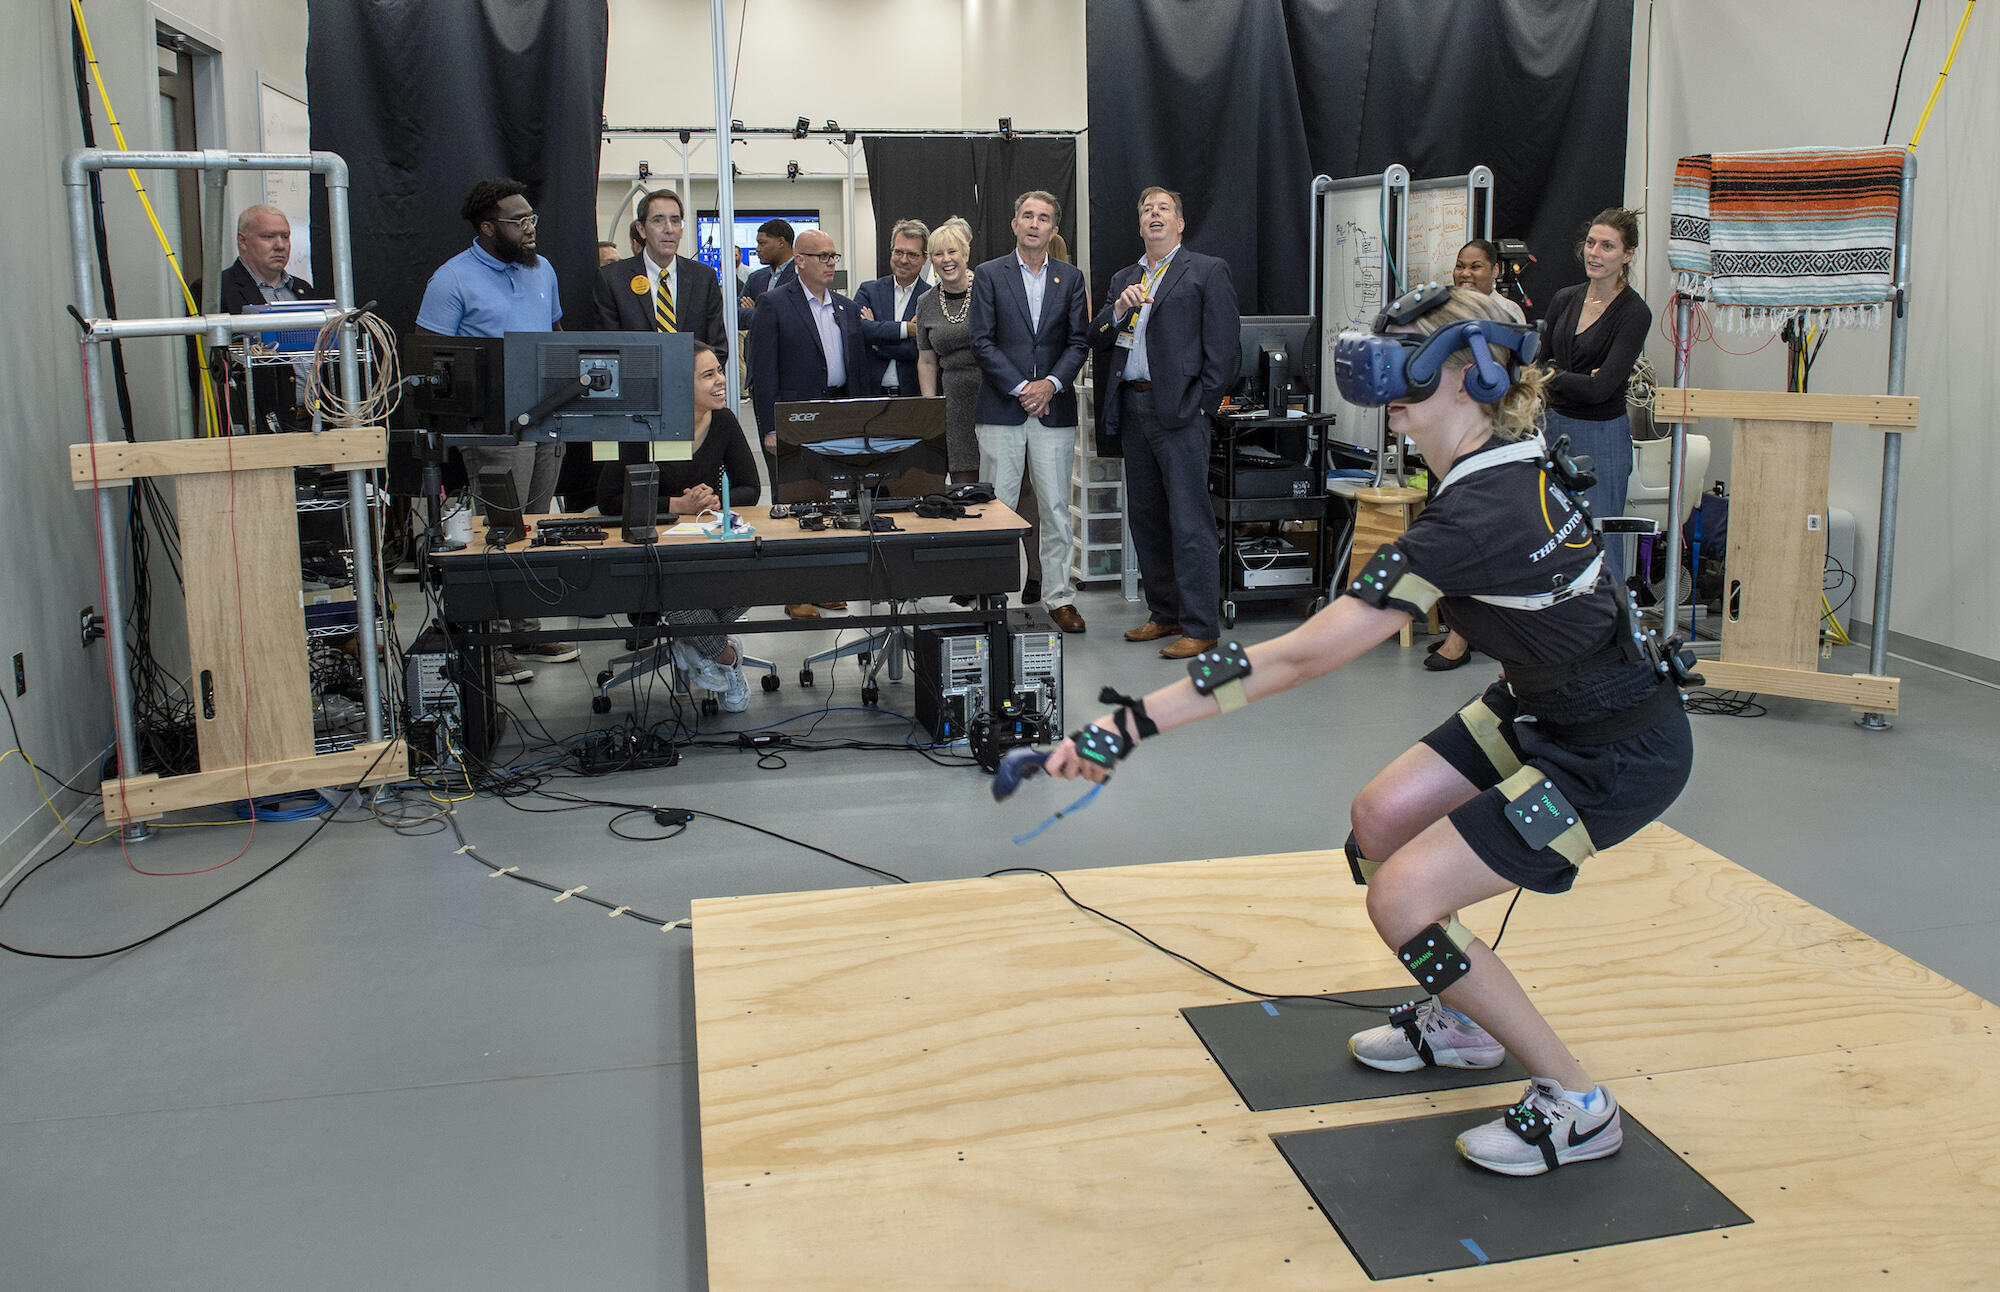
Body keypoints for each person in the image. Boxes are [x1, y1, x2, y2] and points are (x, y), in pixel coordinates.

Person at [1041, 285, 1694, 1177]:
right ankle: (1463, 1022)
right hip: (1543, 702)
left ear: (1469, 375)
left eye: (1404, 367)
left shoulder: (1473, 517)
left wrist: (1130, 723)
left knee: (1401, 901)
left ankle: (1579, 1103)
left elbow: (1298, 659)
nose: (1384, 386)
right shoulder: (1498, 461)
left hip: (1614, 750)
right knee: (1381, 818)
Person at [415, 177, 576, 682]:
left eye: (532, 219)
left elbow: (555, 334)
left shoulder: (542, 269)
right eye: (518, 221)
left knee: (534, 524)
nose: (530, 229)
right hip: (493, 426)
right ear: (487, 228)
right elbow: (432, 359)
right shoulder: (452, 279)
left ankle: (525, 626)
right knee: (496, 528)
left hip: (548, 417)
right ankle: (493, 639)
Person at [1089, 186, 1240, 660]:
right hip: (1132, 410)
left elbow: (1225, 350)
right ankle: (1165, 613)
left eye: (1163, 209)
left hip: (1180, 412)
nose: (1154, 215)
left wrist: (1203, 405)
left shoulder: (1207, 271)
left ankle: (1201, 626)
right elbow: (1095, 336)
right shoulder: (1124, 278)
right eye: (1146, 211)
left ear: (1179, 224)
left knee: (1190, 521)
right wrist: (1116, 310)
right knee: (1147, 518)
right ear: (1139, 226)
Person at [595, 341, 761, 712]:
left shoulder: (724, 421)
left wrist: (717, 499)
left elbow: (751, 487)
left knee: (761, 576)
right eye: (709, 375)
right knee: (682, 593)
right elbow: (608, 499)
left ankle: (694, 643)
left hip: (708, 542)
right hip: (656, 549)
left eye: (720, 371)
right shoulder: (644, 423)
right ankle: (726, 657)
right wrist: (676, 506)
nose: (722, 381)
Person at [970, 190, 1091, 633]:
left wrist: (1051, 385)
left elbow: (1079, 341)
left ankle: (1059, 598)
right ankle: (993, 596)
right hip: (1002, 410)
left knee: (1056, 508)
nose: (1034, 224)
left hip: (1053, 412)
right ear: (1014, 224)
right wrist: (1023, 387)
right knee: (995, 510)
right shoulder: (988, 274)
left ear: (1054, 229)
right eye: (1027, 216)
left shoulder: (1071, 278)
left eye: (1043, 218)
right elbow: (981, 340)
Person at [748, 228, 867, 620]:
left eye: (834, 256)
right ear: (800, 260)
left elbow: (856, 372)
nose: (831, 263)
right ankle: (796, 591)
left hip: (838, 415)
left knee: (834, 503)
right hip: (794, 419)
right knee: (795, 504)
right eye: (823, 256)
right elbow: (763, 372)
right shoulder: (775, 304)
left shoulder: (846, 308)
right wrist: (769, 426)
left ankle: (827, 586)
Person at [1428, 238, 1527, 671]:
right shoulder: (1443, 313)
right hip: (1449, 435)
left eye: (1476, 267)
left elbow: (1507, 381)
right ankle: (1463, 627)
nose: (1466, 274)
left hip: (1487, 436)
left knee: (1483, 536)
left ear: (1494, 271)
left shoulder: (1507, 317)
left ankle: (1463, 637)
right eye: (1460, 266)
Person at [1542, 208, 1651, 588]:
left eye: (1608, 246)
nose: (1596, 253)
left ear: (1628, 254)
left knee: (1599, 541)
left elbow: (1601, 389)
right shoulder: (1564, 299)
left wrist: (1555, 374)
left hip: (1601, 437)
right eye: (1591, 243)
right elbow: (1533, 369)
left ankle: (1608, 633)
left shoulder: (1634, 313)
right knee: (1551, 536)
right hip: (1551, 430)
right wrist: (1572, 377)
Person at [191, 204, 316, 432]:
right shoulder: (215, 291)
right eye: (268, 236)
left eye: (285, 236)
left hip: (316, 421)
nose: (280, 245)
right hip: (257, 427)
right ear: (243, 241)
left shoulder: (303, 290)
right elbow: (208, 371)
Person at [591, 188, 730, 361]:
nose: (669, 229)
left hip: (691, 384)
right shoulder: (612, 279)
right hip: (636, 384)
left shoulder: (703, 278)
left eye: (675, 221)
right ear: (641, 229)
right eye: (658, 220)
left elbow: (717, 348)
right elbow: (608, 348)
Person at [915, 218, 983, 481]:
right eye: (938, 254)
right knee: (963, 481)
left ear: (965, 254)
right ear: (931, 260)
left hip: (994, 396)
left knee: (1010, 480)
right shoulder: (925, 303)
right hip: (953, 401)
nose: (946, 259)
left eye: (952, 251)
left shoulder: (988, 291)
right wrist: (931, 407)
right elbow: (927, 361)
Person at [855, 219, 932, 396]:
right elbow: (859, 330)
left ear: (925, 258)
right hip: (871, 395)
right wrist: (908, 329)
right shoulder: (868, 290)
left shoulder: (931, 298)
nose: (903, 260)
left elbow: (915, 350)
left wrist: (876, 342)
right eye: (898, 252)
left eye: (912, 254)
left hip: (912, 398)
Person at [736, 218, 798, 330]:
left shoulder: (801, 278)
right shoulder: (755, 278)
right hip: (756, 346)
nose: (757, 249)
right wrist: (763, 314)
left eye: (762, 243)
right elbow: (736, 316)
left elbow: (792, 319)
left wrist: (757, 311)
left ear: (780, 242)